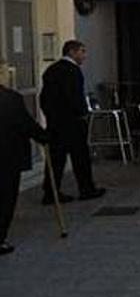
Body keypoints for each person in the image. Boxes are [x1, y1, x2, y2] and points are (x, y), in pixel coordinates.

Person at [39, 40, 106, 205]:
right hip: (72, 122)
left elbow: (44, 98)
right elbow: (74, 97)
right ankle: (86, 188)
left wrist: (50, 116)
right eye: (82, 51)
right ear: (72, 52)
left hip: (55, 122)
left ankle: (50, 192)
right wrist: (83, 112)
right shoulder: (72, 71)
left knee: (56, 159)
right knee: (80, 157)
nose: (84, 56)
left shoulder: (51, 70)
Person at [1, 62, 49, 255]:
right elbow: (25, 125)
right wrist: (44, 137)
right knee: (5, 198)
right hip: (6, 157)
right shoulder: (10, 99)